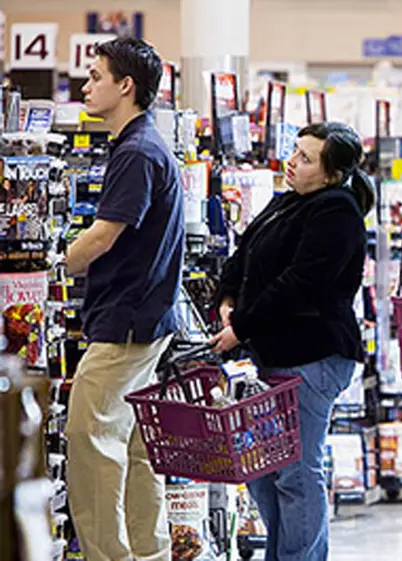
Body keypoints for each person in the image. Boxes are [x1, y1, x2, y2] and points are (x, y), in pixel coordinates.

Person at [209, 122, 374, 561]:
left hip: (312, 355)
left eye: (305, 159)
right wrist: (227, 297)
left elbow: (301, 284)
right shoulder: (287, 201)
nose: (292, 162)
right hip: (272, 353)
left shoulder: (337, 211)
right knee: (265, 472)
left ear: (332, 174)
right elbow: (244, 252)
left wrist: (240, 326)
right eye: (294, 152)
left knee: (296, 474)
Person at [64, 37, 184, 561]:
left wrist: (50, 266)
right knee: (135, 450)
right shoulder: (145, 145)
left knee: (89, 446)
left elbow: (103, 235)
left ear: (125, 86)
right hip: (147, 321)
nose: (87, 86)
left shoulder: (136, 152)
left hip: (125, 325)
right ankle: (148, 551)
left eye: (95, 77)